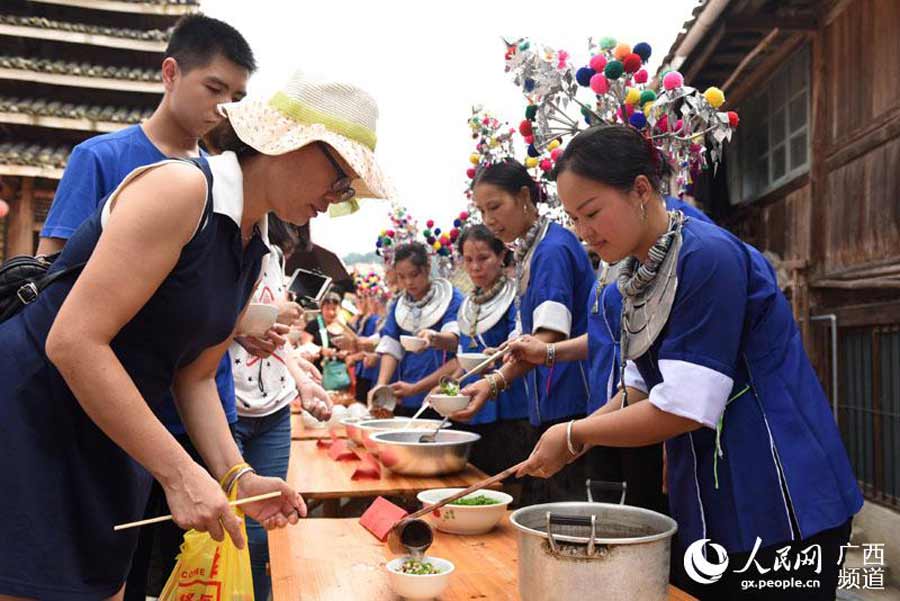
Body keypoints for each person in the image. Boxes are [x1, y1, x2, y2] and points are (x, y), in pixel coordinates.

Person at [0, 71, 390, 600]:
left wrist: (237, 477)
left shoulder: (254, 244)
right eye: (341, 176)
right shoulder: (182, 189)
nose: (338, 196)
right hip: (39, 419)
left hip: (117, 430)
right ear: (291, 143)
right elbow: (74, 341)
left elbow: (197, 376)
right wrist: (181, 474)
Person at [515, 124, 862, 600]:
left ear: (641, 189)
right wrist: (573, 442)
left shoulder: (707, 257)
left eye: (592, 212)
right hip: (712, 499)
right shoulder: (632, 279)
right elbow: (636, 388)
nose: (584, 232)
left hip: (781, 492)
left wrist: (573, 433)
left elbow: (683, 406)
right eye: (574, 218)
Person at [31, 16, 258, 598]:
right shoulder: (104, 157)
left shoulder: (225, 184)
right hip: (110, 409)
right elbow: (54, 285)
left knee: (182, 568)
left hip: (194, 407)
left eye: (236, 98)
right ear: (170, 72)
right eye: (214, 89)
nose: (223, 108)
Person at [457, 159, 594, 502]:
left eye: (495, 207)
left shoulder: (552, 249)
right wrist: (506, 349)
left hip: (568, 398)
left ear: (523, 196)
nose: (489, 220)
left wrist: (493, 382)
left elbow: (549, 337)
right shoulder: (535, 249)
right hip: (552, 400)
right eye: (482, 211)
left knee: (562, 510)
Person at [228, 215, 332, 601]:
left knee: (263, 529)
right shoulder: (221, 243)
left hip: (273, 411)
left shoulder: (273, 260)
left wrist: (303, 382)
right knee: (225, 527)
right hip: (228, 409)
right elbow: (195, 320)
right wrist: (244, 325)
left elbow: (274, 341)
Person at [438, 224, 531, 476]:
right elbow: (463, 358)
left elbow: (521, 341)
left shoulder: (517, 297)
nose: (475, 267)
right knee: (474, 477)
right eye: (468, 260)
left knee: (508, 480)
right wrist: (445, 388)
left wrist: (499, 354)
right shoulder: (467, 305)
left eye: (483, 258)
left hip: (510, 404)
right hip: (474, 405)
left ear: (501, 256)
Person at [370, 242, 463, 417]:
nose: (408, 282)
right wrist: (381, 385)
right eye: (402, 277)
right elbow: (391, 346)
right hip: (407, 392)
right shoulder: (399, 305)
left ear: (427, 268)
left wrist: (434, 338)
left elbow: (456, 343)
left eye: (414, 275)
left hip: (442, 391)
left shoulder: (451, 298)